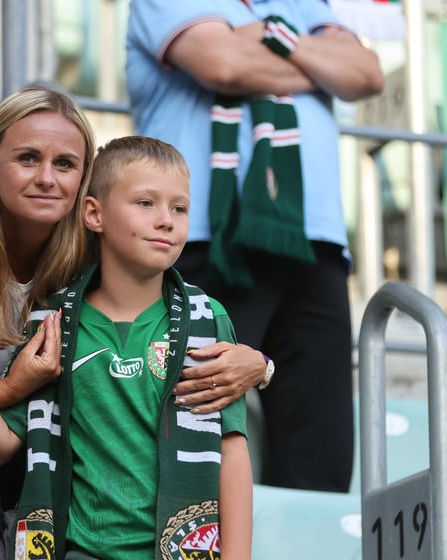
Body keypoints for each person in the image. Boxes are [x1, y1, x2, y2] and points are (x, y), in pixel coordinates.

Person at [0, 86, 263, 558]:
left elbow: (225, 436)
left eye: (66, 165)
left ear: (85, 185)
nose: (47, 179)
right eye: (28, 158)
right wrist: (6, 387)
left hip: (37, 459)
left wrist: (260, 363)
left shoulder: (104, 257)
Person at [125, 0, 384, 492]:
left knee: (320, 453)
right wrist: (313, 60)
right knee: (191, 434)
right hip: (201, 240)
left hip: (314, 242)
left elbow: (365, 75)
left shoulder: (305, 4)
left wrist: (267, 38)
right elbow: (223, 63)